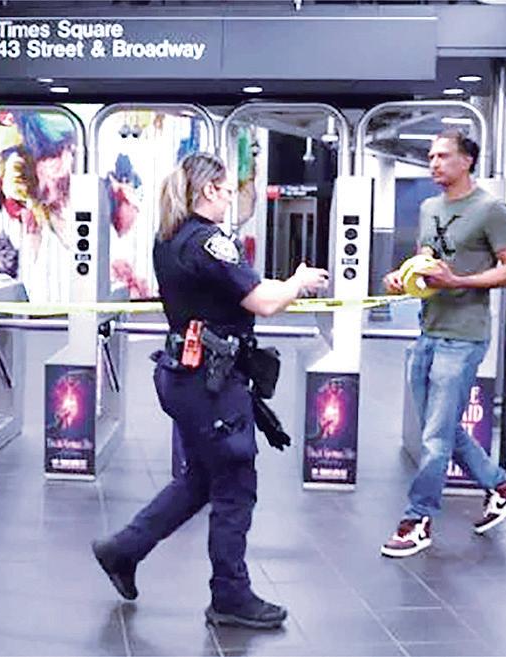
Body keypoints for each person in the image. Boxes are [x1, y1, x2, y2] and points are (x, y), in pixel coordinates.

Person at [90, 152, 329, 629]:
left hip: (186, 375)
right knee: (235, 485)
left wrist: (279, 286)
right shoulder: (210, 241)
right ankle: (230, 596)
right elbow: (262, 302)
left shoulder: (170, 237)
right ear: (209, 190)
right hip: (210, 384)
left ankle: (123, 549)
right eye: (226, 190)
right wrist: (299, 282)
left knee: (200, 480)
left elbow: (232, 292)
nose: (229, 199)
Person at [380, 129, 506, 558]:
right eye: (430, 156)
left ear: (467, 161)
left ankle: (418, 520)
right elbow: (426, 261)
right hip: (429, 329)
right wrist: (402, 277)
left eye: (443, 156)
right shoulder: (429, 208)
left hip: (463, 337)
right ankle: (503, 486)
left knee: (435, 438)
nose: (433, 163)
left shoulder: (490, 210)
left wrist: (459, 281)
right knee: (438, 428)